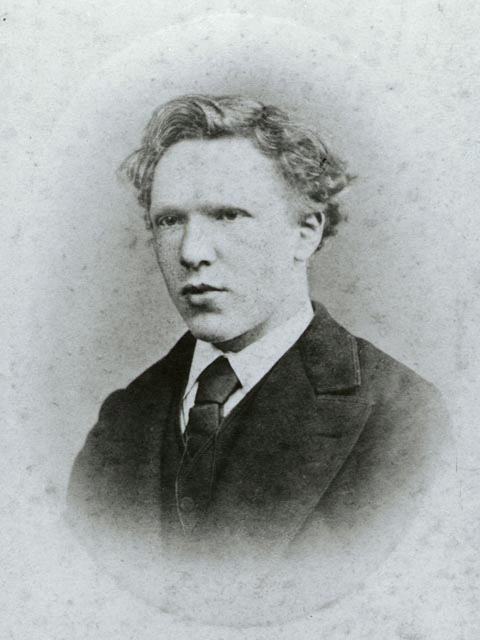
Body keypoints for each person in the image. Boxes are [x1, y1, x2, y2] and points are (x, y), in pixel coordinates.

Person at [67, 95, 448, 578]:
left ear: (305, 233)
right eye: (170, 220)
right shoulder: (123, 417)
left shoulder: (401, 416)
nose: (191, 252)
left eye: (228, 215)